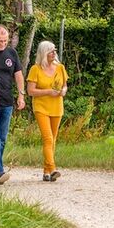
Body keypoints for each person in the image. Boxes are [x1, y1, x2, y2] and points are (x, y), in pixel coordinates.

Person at [0, 25, 25, 185]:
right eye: (0, 41)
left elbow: (18, 75)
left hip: (7, 102)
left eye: (5, 41)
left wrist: (21, 95)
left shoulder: (12, 53)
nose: (2, 43)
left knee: (2, 138)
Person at [26, 40, 68, 182]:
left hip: (57, 106)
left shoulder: (60, 68)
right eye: (50, 51)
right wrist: (49, 91)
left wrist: (63, 91)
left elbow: (65, 86)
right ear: (43, 53)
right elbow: (30, 91)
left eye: (54, 50)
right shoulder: (35, 69)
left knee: (53, 140)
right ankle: (53, 167)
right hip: (41, 107)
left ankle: (46, 171)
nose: (53, 53)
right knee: (48, 138)